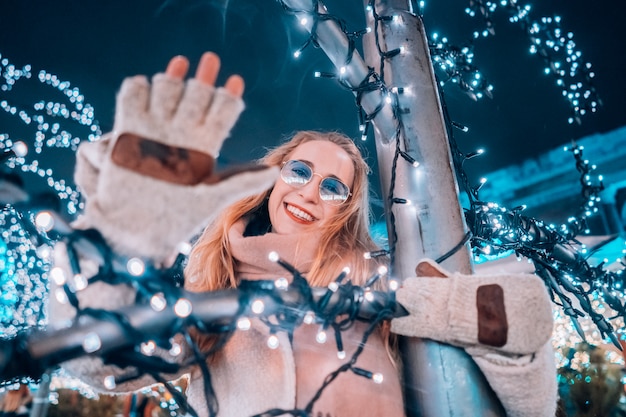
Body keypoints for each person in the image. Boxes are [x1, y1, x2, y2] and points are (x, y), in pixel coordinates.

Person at [49, 52, 558, 417]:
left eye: (333, 186)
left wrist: (443, 308)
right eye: (299, 172)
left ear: (347, 208)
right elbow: (97, 363)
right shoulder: (213, 294)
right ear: (273, 177)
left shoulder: (382, 281)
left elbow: (528, 359)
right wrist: (123, 228)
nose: (310, 192)